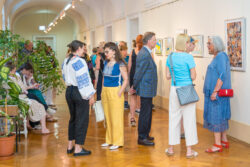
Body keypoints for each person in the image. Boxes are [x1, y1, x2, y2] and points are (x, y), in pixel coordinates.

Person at [165, 34, 198, 158]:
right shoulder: (188, 57)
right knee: (189, 119)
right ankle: (189, 151)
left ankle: (171, 148)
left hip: (174, 89)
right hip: (187, 90)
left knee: (173, 118)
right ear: (185, 44)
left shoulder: (170, 57)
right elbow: (194, 76)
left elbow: (168, 76)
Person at [62, 40, 95, 156]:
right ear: (79, 48)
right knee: (82, 119)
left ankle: (70, 145)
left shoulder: (66, 60)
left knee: (73, 118)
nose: (84, 51)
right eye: (83, 48)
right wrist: (90, 95)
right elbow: (84, 80)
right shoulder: (80, 61)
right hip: (79, 92)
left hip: (69, 91)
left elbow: (63, 76)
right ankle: (78, 148)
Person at [203, 36, 231, 153]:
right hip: (219, 93)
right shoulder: (218, 56)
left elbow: (222, 75)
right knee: (222, 116)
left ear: (216, 45)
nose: (207, 46)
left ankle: (217, 144)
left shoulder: (220, 56)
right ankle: (224, 140)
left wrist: (215, 91)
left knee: (216, 117)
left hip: (218, 94)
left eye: (209, 43)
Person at [6, 61, 50, 134]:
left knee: (37, 94)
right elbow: (21, 89)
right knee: (38, 102)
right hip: (20, 98)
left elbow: (23, 87)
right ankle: (43, 126)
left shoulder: (15, 76)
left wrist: (31, 86)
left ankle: (33, 122)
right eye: (13, 70)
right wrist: (28, 88)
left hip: (22, 95)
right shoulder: (14, 77)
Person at [101, 42, 128, 150]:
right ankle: (109, 140)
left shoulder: (120, 63)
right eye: (105, 52)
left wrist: (120, 92)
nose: (105, 54)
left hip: (115, 91)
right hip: (105, 91)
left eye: (107, 52)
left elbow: (125, 79)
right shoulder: (106, 63)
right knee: (108, 117)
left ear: (113, 51)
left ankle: (117, 141)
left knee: (116, 117)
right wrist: (102, 90)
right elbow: (104, 78)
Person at [133, 32, 157, 146]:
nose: (155, 42)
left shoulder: (146, 52)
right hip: (145, 87)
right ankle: (141, 137)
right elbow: (139, 73)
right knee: (144, 113)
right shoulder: (144, 54)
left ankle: (146, 134)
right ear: (148, 41)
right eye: (154, 40)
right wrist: (134, 86)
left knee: (147, 112)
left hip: (148, 87)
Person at [180, 36, 197, 139]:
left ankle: (183, 131)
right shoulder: (187, 57)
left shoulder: (178, 56)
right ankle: (184, 131)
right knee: (186, 110)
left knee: (182, 110)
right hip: (186, 87)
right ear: (188, 44)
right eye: (193, 44)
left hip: (179, 87)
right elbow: (193, 76)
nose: (194, 46)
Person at [128, 34, 143, 126]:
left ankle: (132, 118)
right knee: (142, 97)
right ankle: (142, 118)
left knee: (133, 98)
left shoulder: (132, 52)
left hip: (133, 77)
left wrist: (129, 79)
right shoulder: (146, 52)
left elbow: (129, 66)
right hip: (142, 77)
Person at [119, 41, 130, 110]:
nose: (126, 52)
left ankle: (125, 102)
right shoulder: (119, 59)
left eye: (126, 50)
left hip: (126, 76)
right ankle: (121, 102)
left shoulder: (128, 57)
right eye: (124, 50)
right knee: (122, 90)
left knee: (126, 90)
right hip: (121, 77)